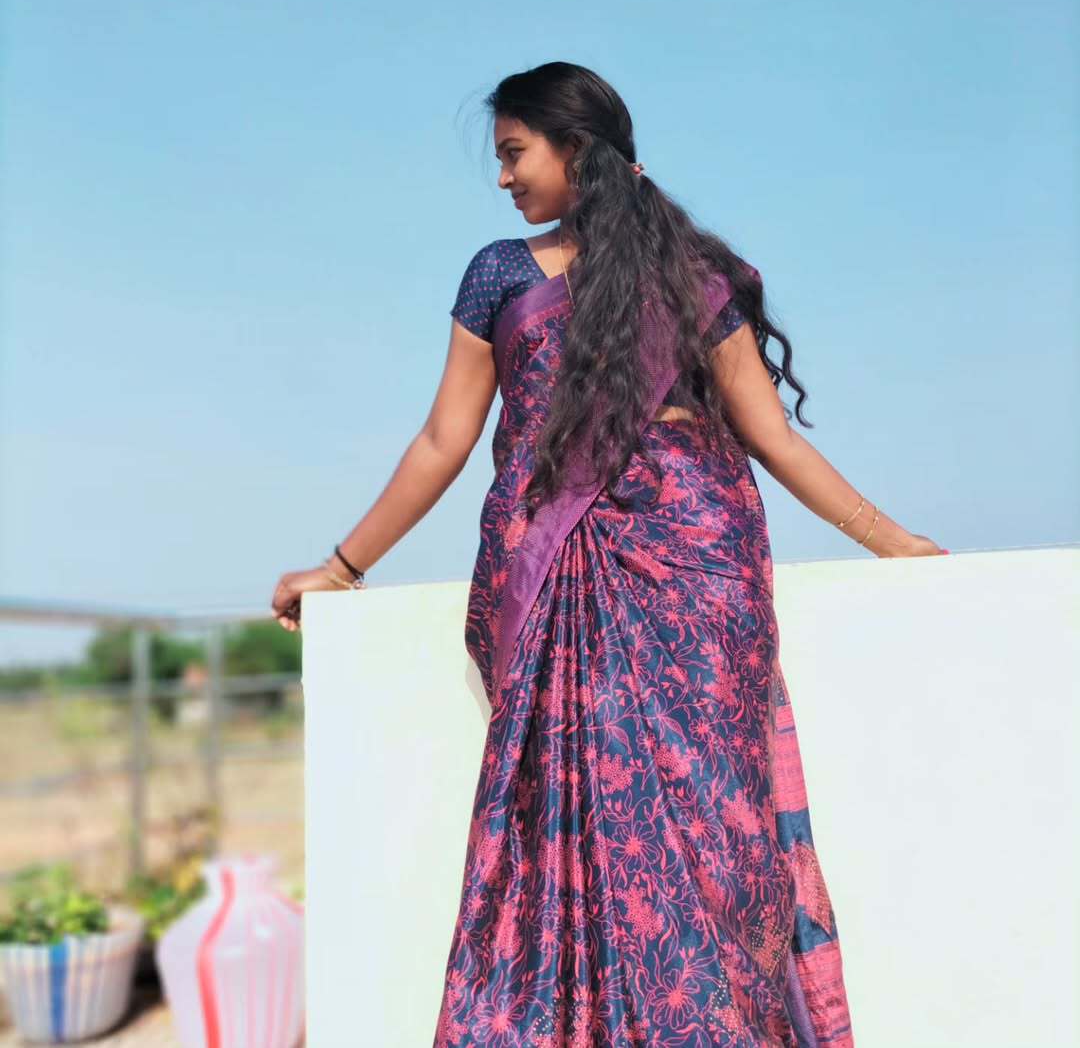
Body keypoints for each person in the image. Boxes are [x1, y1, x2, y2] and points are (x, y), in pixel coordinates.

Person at [271, 61, 946, 1046]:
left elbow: (772, 438)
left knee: (718, 845)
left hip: (698, 581)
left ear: (575, 150)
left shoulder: (690, 279)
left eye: (515, 153)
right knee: (574, 837)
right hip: (557, 579)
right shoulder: (501, 276)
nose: (503, 176)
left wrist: (894, 543)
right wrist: (341, 566)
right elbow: (444, 440)